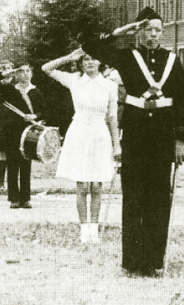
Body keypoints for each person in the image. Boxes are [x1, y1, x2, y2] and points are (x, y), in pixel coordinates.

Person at [81, 7, 184, 277]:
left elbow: (181, 100)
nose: (153, 35)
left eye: (157, 30)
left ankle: (154, 261)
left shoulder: (173, 60)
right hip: (136, 134)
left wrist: (179, 139)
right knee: (134, 198)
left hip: (163, 134)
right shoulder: (128, 57)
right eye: (148, 29)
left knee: (159, 198)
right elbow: (91, 45)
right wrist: (124, 30)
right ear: (141, 32)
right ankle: (133, 261)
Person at [42, 49, 121, 243]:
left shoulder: (110, 85)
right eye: (86, 59)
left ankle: (94, 228)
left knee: (96, 185)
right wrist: (69, 57)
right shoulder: (74, 80)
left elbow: (112, 117)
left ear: (100, 61)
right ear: (81, 62)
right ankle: (84, 228)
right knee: (82, 185)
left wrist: (116, 145)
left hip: (100, 135)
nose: (90, 62)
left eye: (94, 58)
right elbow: (46, 68)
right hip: (79, 133)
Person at [0, 63, 44, 208]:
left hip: (28, 132)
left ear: (31, 74)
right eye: (21, 71)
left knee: (26, 166)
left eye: (28, 71)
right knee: (12, 165)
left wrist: (34, 115)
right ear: (16, 74)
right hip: (11, 132)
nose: (25, 74)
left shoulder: (36, 91)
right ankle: (14, 198)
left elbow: (43, 112)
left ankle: (25, 198)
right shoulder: (8, 90)